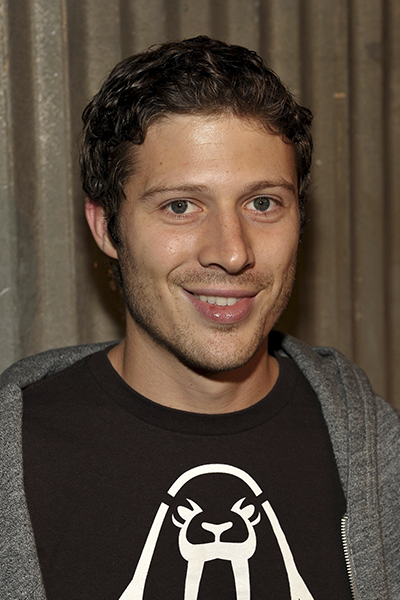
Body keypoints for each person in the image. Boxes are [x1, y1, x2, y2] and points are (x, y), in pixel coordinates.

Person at [0, 36, 398, 600]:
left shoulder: (381, 459)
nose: (232, 252)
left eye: (263, 203)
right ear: (106, 227)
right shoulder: (17, 457)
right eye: (181, 206)